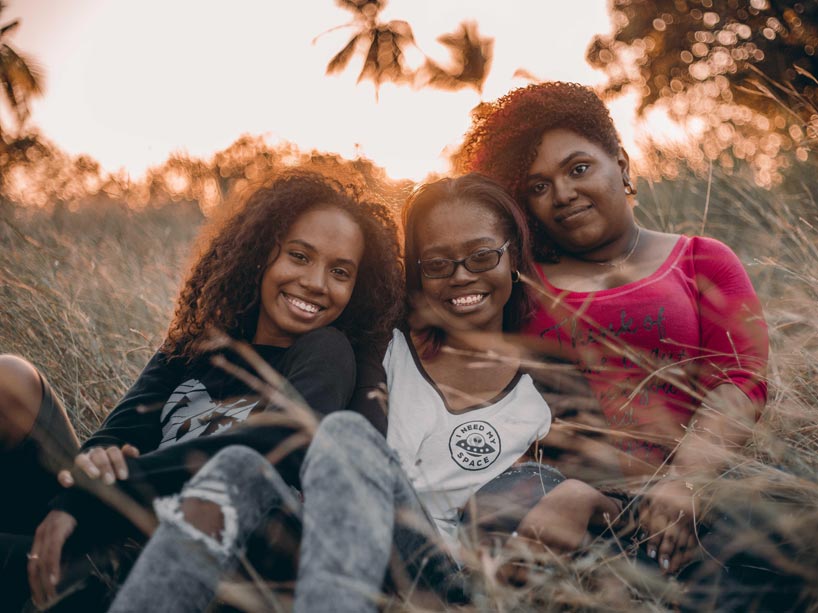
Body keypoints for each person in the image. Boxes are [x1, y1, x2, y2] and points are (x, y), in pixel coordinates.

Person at [107, 173, 627, 613]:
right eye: (438, 264)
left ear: (513, 256)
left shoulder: (549, 377)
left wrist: (588, 494)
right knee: (245, 466)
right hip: (340, 549)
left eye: (481, 256)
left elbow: (619, 490)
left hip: (451, 581)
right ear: (416, 273)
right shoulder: (379, 344)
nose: (461, 277)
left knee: (347, 435)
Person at [0, 170, 403, 611]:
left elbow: (281, 442)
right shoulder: (194, 346)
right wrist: (92, 471)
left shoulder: (327, 351)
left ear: (356, 287)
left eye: (340, 271)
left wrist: (98, 494)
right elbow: (116, 434)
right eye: (299, 256)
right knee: (11, 379)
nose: (316, 282)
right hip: (106, 518)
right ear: (261, 252)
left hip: (192, 559)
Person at [454, 82, 771, 590]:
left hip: (692, 497)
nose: (562, 194)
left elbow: (740, 378)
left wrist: (685, 480)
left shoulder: (700, 258)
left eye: (578, 168)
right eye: (537, 186)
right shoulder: (515, 283)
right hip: (555, 509)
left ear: (621, 164)